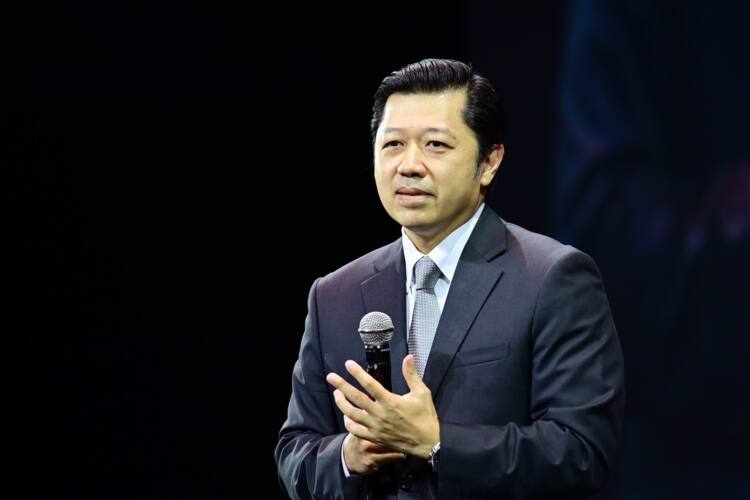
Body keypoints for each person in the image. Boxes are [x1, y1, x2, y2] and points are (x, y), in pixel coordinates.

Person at [275, 58, 625, 499]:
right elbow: (295, 453)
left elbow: (581, 452)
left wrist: (438, 442)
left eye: (436, 145)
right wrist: (348, 455)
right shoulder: (334, 294)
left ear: (489, 162)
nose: (409, 165)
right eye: (393, 144)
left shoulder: (552, 278)